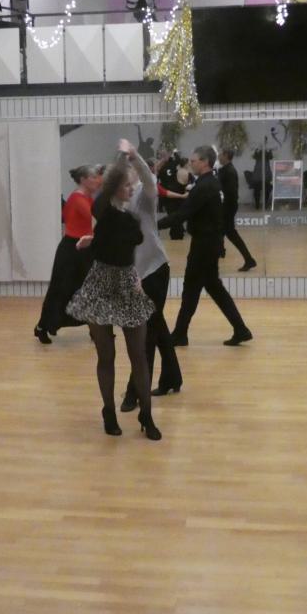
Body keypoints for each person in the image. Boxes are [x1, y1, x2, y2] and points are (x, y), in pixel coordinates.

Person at [65, 157, 161, 440]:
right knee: (106, 355)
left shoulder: (129, 217)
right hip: (101, 284)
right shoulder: (102, 209)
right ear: (114, 187)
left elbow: (117, 244)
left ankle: (146, 414)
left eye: (132, 185)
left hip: (127, 284)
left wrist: (93, 241)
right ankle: (108, 411)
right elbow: (108, 229)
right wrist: (122, 160)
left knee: (139, 356)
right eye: (127, 185)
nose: (131, 189)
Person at [157, 145, 253, 347]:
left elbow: (183, 214)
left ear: (205, 162)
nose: (191, 163)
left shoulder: (204, 186)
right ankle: (240, 329)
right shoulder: (210, 183)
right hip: (209, 243)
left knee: (191, 288)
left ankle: (180, 334)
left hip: (204, 245)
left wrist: (154, 224)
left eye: (194, 161)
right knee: (213, 288)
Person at [118, 139, 182, 411]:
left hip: (155, 270)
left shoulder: (145, 196)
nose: (128, 177)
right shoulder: (118, 203)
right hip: (135, 275)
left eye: (131, 172)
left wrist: (135, 156)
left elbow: (148, 176)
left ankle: (134, 392)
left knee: (146, 334)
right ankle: (172, 377)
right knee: (157, 326)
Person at [34, 165, 100, 343]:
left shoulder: (87, 197)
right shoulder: (77, 199)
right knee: (60, 290)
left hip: (85, 247)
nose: (97, 180)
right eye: (93, 177)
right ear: (83, 180)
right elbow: (97, 217)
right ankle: (42, 326)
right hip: (71, 250)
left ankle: (96, 330)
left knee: (90, 289)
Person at [217, 149, 257, 272]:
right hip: (227, 206)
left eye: (220, 154)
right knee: (221, 232)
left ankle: (249, 259)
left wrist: (224, 207)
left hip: (227, 207)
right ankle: (220, 252)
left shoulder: (229, 171)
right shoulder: (226, 170)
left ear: (226, 155)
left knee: (229, 233)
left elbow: (230, 192)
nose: (219, 156)